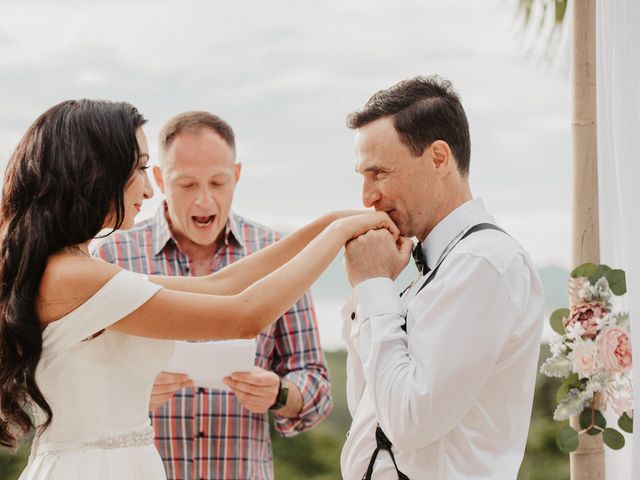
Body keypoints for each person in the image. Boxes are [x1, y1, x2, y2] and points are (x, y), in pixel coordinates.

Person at [0, 99, 397, 480]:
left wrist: (333, 219)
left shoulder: (73, 269)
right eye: (138, 169)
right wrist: (340, 233)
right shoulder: (77, 276)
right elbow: (243, 315)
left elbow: (220, 285)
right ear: (95, 173)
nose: (148, 191)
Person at [92, 111, 332, 480]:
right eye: (187, 185)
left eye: (218, 183)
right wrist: (130, 390)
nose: (205, 202)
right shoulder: (112, 256)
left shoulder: (278, 254)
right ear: (158, 179)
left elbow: (316, 384)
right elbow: (78, 387)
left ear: (236, 176)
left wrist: (280, 393)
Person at [339, 76, 544, 479]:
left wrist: (374, 285)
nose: (367, 197)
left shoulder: (485, 263)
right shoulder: (433, 266)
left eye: (378, 173)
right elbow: (369, 405)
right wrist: (374, 292)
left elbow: (408, 420)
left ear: (437, 158)